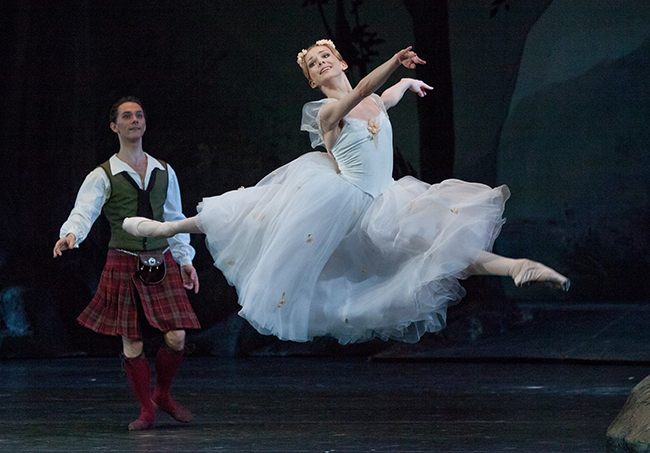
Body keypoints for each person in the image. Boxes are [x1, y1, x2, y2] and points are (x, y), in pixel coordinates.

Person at [123, 40, 569, 346]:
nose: (320, 64)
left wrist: (407, 84)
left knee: (444, 243)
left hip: (389, 199)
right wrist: (395, 63)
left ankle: (517, 268)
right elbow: (365, 90)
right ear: (314, 82)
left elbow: (384, 97)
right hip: (351, 203)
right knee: (247, 210)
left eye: (324, 57)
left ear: (338, 60)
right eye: (313, 64)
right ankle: (167, 226)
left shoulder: (374, 100)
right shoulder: (329, 111)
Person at [53, 97, 201, 431]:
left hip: (161, 261)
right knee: (132, 340)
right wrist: (70, 235)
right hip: (125, 260)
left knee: (176, 336)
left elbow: (175, 219)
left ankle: (162, 395)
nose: (135, 120)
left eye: (139, 115)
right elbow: (84, 211)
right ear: (114, 126)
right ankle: (146, 409)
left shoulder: (164, 170)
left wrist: (185, 261)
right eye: (126, 116)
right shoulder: (103, 174)